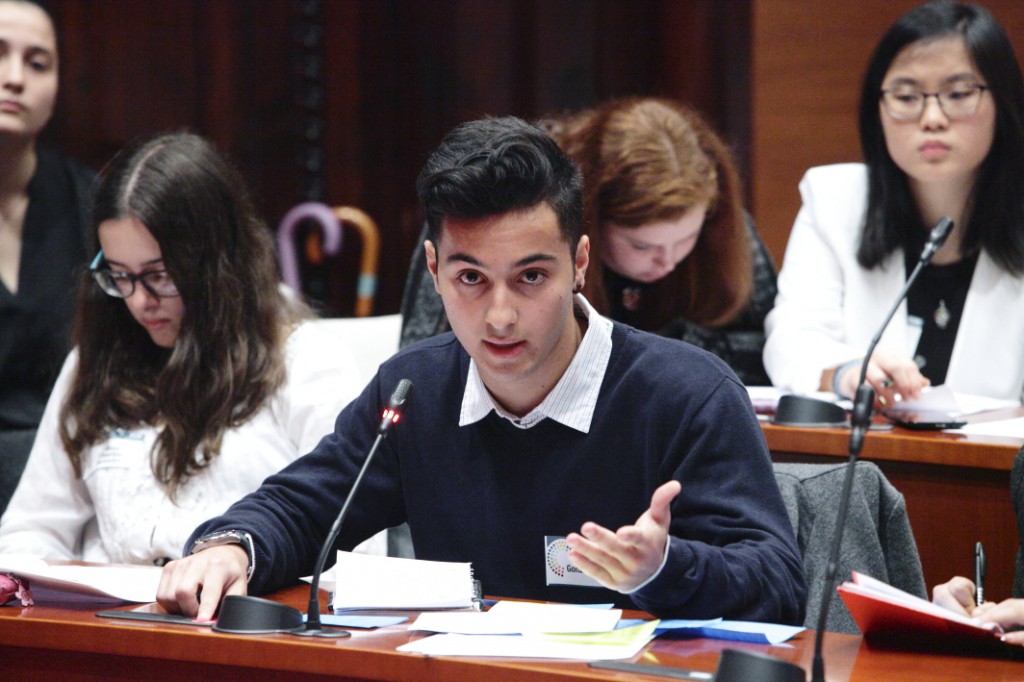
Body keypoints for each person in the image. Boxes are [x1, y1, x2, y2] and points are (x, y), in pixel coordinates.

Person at [156, 116, 806, 624]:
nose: (499, 316)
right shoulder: (413, 390)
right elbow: (304, 507)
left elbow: (779, 586)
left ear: (580, 262)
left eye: (531, 277)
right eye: (471, 278)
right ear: (434, 270)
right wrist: (232, 546)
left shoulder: (688, 394)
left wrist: (664, 567)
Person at [0, 131, 380, 565]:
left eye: (159, 275)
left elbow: (355, 551)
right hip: (113, 601)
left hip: (249, 603)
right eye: (120, 275)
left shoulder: (305, 362)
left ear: (218, 263)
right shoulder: (96, 362)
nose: (139, 301)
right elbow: (30, 530)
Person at [401, 97, 776, 386]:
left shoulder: (724, 229)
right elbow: (426, 362)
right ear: (587, 238)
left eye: (684, 240)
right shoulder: (515, 207)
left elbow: (769, 349)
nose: (666, 261)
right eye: (641, 246)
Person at [764, 0, 1024, 406]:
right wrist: (847, 371)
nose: (932, 118)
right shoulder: (834, 200)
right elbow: (792, 338)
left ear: (1004, 103)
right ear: (879, 109)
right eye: (906, 97)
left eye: (958, 94)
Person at [0, 0, 95, 516]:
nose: (15, 78)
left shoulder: (93, 205)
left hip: (70, 478)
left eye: (37, 63)